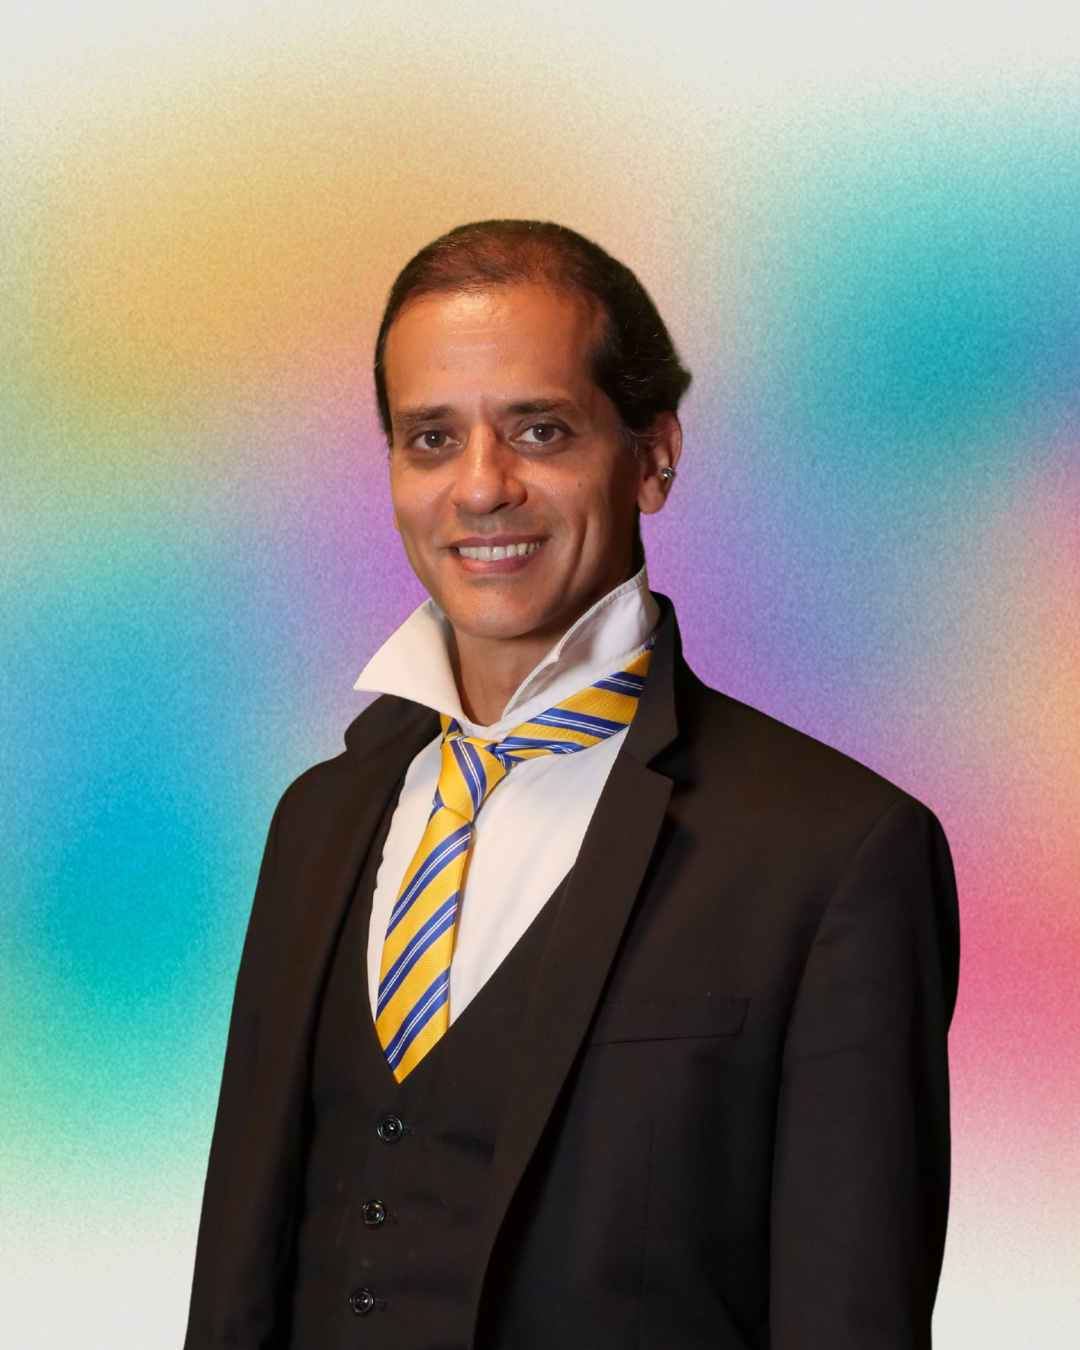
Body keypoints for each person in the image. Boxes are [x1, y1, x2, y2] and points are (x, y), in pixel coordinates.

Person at [184, 220, 959, 1350]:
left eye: (538, 430)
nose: (481, 487)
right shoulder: (319, 817)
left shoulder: (839, 855)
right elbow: (238, 1282)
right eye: (432, 438)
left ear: (653, 457)